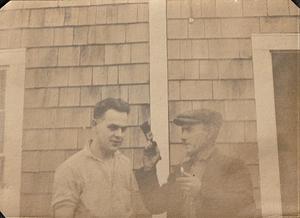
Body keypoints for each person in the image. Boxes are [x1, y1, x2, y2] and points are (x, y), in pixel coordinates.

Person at [135, 109, 257, 218]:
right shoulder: (182, 169)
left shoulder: (232, 166)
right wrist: (148, 168)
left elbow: (244, 204)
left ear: (209, 133)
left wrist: (202, 190)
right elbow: (156, 205)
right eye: (182, 130)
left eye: (188, 130)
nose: (182, 137)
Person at [52, 98, 148, 218]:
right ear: (94, 125)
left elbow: (138, 212)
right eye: (113, 127)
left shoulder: (125, 164)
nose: (119, 135)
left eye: (123, 129)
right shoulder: (70, 169)